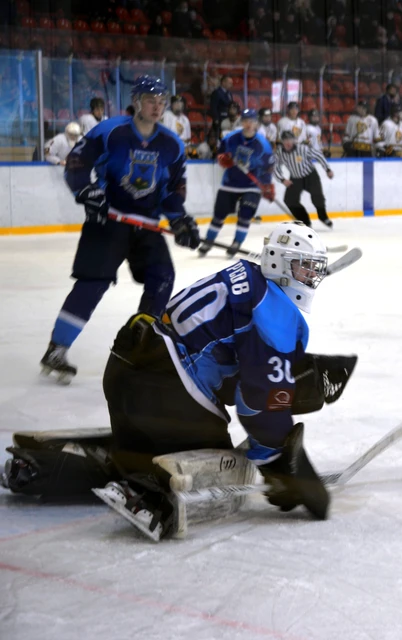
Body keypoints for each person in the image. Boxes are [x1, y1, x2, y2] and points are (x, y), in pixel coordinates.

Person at [4, 222, 348, 540]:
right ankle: (150, 496)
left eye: (315, 267)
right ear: (278, 263)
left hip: (128, 366)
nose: (312, 275)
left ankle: (37, 469)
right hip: (167, 386)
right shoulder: (275, 313)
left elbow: (230, 365)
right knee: (220, 462)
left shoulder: (244, 276)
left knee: (136, 454)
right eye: (305, 266)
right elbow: (259, 406)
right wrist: (282, 465)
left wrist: (287, 380)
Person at [41, 76, 200, 383]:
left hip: (147, 225)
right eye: (151, 100)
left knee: (162, 277)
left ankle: (139, 347)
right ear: (137, 101)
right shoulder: (110, 130)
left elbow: (174, 187)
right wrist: (87, 191)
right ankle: (56, 349)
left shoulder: (172, 144)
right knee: (93, 283)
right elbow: (76, 163)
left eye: (161, 102)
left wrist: (179, 219)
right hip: (107, 221)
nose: (157, 107)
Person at [202, 108, 275, 257]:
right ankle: (209, 241)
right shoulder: (230, 138)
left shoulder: (263, 144)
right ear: (242, 122)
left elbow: (268, 167)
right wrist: (223, 159)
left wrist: (266, 185)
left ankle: (237, 242)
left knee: (245, 215)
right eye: (246, 121)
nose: (248, 124)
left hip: (252, 186)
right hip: (230, 183)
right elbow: (221, 154)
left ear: (256, 124)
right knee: (219, 215)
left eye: (252, 121)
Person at [274, 130, 334, 228]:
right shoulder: (280, 153)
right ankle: (305, 221)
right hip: (295, 178)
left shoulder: (303, 149)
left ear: (294, 140)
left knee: (317, 197)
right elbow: (275, 167)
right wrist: (282, 179)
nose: (288, 142)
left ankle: (323, 217)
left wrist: (327, 169)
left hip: (310, 176)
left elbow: (318, 156)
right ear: (282, 141)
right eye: (285, 140)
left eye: (290, 139)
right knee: (289, 200)